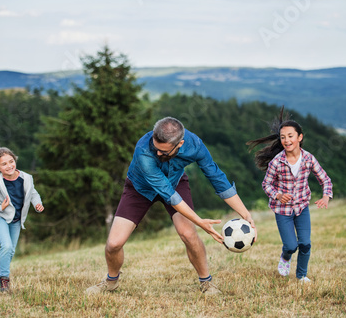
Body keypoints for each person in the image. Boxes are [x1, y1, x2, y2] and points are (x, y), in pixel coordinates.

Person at [86, 117, 256, 296]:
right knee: (113, 244)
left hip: (175, 183)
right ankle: (111, 282)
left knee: (188, 234)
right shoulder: (144, 151)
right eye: (156, 148)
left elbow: (217, 178)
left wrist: (246, 214)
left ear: (180, 144)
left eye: (164, 152)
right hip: (140, 188)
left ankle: (206, 283)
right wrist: (200, 221)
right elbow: (170, 197)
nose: (158, 154)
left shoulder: (195, 145)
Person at [246, 107, 333, 282]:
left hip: (302, 208)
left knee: (305, 244)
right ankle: (286, 256)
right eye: (283, 137)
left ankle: (301, 276)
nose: (286, 140)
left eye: (290, 136)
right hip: (282, 210)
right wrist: (277, 195)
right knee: (291, 246)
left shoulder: (309, 159)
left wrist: (325, 196)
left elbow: (325, 179)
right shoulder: (277, 162)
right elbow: (266, 184)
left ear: (300, 137)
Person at [0, 147, 44, 292]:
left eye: (11, 161)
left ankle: (0, 274)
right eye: (4, 164)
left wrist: (37, 203)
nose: (9, 166)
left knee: (11, 250)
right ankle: (4, 280)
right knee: (6, 246)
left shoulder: (26, 178)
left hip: (16, 220)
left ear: (15, 160)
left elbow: (33, 193)